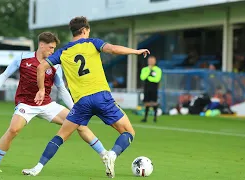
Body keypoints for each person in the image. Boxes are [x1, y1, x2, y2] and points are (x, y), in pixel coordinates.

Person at [23, 16, 150, 178]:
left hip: (81, 102)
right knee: (128, 132)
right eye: (88, 31)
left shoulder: (63, 52)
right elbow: (112, 49)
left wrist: (41, 89)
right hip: (101, 96)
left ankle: (37, 168)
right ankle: (112, 155)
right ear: (84, 30)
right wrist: (136, 51)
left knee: (61, 136)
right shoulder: (92, 43)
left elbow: (41, 67)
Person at [0, 32, 107, 173]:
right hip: (26, 104)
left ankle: (105, 154)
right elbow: (5, 74)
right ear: (41, 45)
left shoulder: (55, 65)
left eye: (54, 48)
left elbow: (61, 89)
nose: (52, 51)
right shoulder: (22, 58)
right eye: (50, 48)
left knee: (78, 123)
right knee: (13, 130)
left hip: (47, 104)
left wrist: (75, 109)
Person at [139, 55, 162, 123]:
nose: (151, 62)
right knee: (147, 102)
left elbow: (157, 79)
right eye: (150, 60)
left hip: (154, 87)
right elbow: (142, 77)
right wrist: (149, 71)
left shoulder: (158, 69)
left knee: (154, 102)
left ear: (155, 61)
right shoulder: (145, 69)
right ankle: (145, 118)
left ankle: (155, 118)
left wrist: (149, 78)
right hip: (147, 87)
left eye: (152, 60)